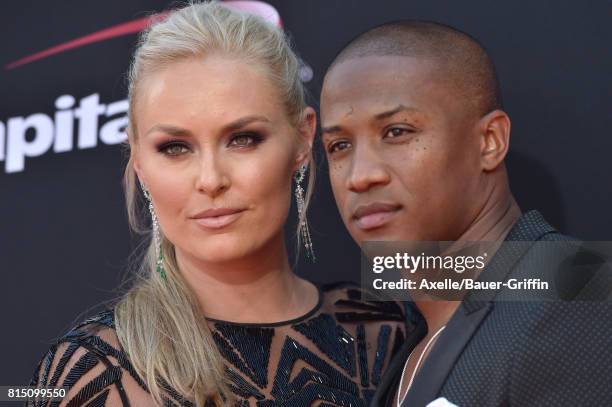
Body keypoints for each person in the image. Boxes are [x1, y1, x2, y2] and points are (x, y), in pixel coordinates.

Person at [28, 3, 410, 406]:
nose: (211, 180)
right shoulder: (91, 371)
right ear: (138, 162)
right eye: (175, 148)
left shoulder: (388, 330)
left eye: (243, 139)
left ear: (302, 139)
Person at [320, 20, 612, 407]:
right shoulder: (413, 348)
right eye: (339, 145)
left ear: (490, 142)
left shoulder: (577, 297)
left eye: (397, 132)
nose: (360, 176)